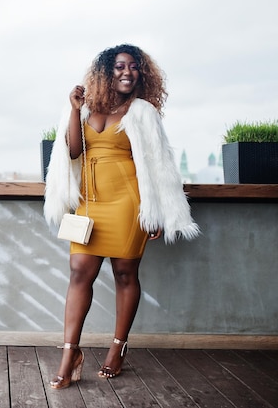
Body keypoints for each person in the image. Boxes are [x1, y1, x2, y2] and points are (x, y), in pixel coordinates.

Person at [43, 43, 200, 389]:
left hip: (128, 203)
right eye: (119, 66)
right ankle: (70, 353)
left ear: (141, 74)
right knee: (79, 272)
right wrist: (73, 110)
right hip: (89, 204)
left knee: (125, 274)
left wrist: (157, 210)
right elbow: (71, 151)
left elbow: (159, 164)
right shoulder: (85, 108)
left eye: (134, 67)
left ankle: (118, 347)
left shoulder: (142, 111)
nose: (127, 72)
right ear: (105, 72)